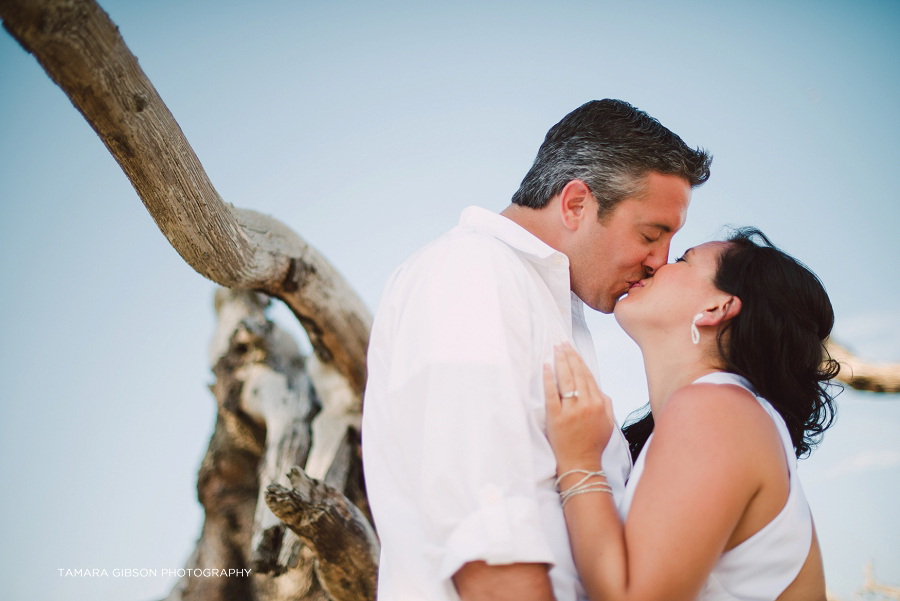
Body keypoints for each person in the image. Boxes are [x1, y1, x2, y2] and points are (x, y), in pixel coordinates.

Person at [362, 99, 711, 601]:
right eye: (651, 235)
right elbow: (489, 545)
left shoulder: (543, 302)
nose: (660, 261)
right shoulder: (472, 273)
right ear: (575, 205)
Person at [544, 228, 838, 601]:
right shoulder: (724, 411)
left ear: (717, 308)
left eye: (683, 260)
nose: (656, 265)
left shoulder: (720, 410)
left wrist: (580, 461)